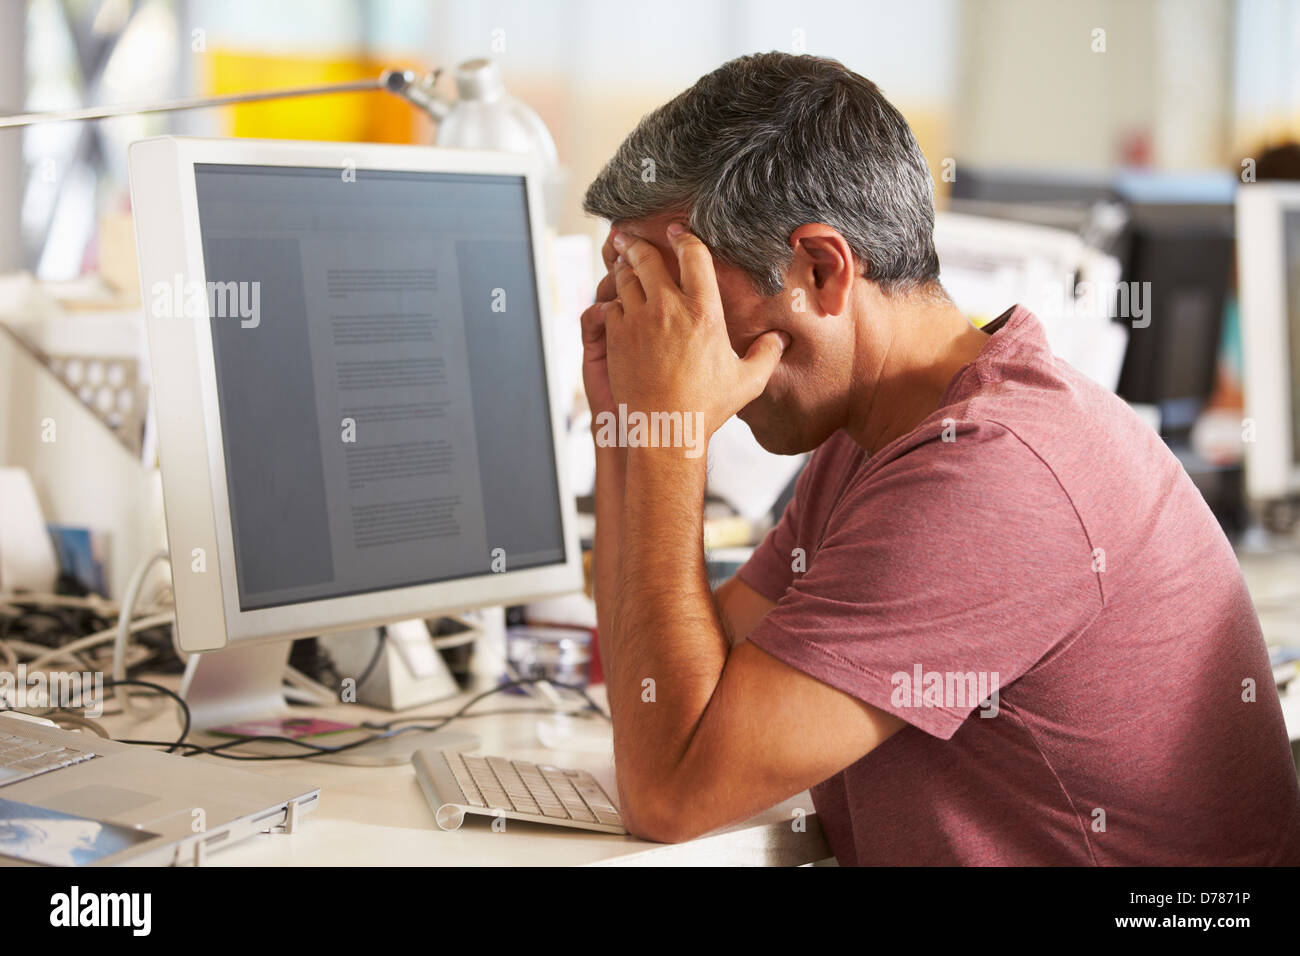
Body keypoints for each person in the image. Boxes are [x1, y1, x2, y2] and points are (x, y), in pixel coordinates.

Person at [577, 51, 1300, 865]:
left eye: (675, 300)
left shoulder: (992, 469)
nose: (654, 335)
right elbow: (670, 686)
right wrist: (626, 429)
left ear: (820, 270)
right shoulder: (885, 435)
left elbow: (674, 789)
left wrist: (672, 435)